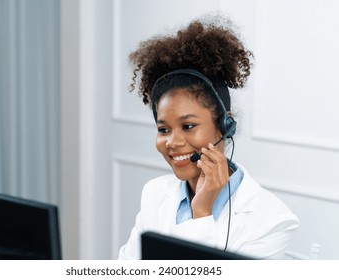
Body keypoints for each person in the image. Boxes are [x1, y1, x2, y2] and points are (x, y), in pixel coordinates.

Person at [118, 16, 299, 260]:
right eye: (163, 129)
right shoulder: (155, 193)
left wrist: (201, 213)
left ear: (226, 124)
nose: (172, 142)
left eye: (188, 125)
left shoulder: (272, 220)